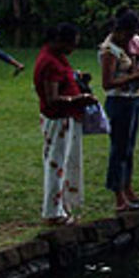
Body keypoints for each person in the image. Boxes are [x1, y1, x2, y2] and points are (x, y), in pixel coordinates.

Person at [34, 23, 95, 225]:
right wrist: (79, 99)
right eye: (72, 44)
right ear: (61, 41)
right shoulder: (50, 63)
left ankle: (62, 205)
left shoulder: (56, 57)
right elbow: (52, 98)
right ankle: (52, 212)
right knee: (56, 164)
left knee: (63, 162)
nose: (74, 48)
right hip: (58, 118)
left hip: (65, 118)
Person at [100, 10, 139, 213]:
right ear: (121, 31)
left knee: (129, 149)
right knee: (119, 150)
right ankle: (118, 195)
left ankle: (128, 187)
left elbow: (133, 73)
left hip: (132, 100)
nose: (132, 39)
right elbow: (108, 83)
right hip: (118, 101)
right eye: (130, 34)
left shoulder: (125, 47)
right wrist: (135, 76)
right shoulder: (109, 50)